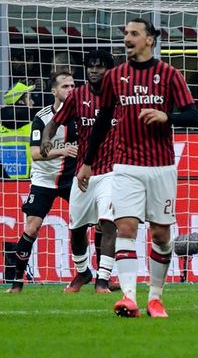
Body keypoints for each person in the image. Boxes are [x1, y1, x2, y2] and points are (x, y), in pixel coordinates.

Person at [77, 18, 198, 318]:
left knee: (160, 235)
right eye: (125, 34)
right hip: (126, 165)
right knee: (126, 227)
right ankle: (129, 298)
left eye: (134, 33)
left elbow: (193, 114)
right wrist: (88, 163)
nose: (127, 38)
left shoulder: (169, 74)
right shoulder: (115, 76)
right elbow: (103, 121)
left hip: (161, 167)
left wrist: (166, 116)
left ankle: (155, 298)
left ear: (150, 40)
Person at [41, 50, 120, 294]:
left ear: (109, 70)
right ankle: (83, 272)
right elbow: (55, 121)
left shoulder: (119, 96)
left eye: (100, 66)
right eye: (91, 66)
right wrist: (46, 138)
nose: (94, 71)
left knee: (108, 225)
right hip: (84, 173)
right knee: (77, 228)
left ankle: (103, 280)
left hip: (112, 171)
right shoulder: (77, 96)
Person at [6, 71, 78, 293]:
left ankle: (100, 278)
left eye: (73, 85)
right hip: (44, 180)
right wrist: (62, 150)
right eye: (65, 86)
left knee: (92, 224)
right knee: (32, 228)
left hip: (71, 179)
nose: (70, 89)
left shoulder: (81, 115)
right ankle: (17, 282)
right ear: (53, 91)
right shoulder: (42, 117)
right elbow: (36, 153)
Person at [1, 82, 36, 179]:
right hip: (29, 181)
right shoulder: (35, 125)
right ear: (20, 102)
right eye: (29, 98)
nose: (32, 102)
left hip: (3, 181)